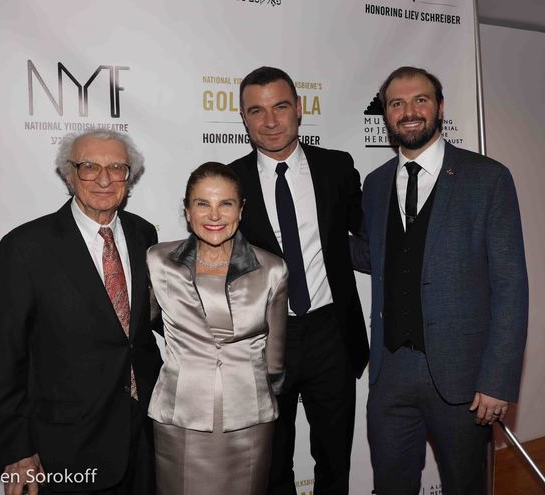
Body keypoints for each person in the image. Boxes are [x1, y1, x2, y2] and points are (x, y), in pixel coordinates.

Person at [352, 66, 528, 494]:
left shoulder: (487, 179)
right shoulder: (374, 185)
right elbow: (375, 256)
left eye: (420, 100)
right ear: (386, 116)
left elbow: (510, 286)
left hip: (463, 380)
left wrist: (496, 379)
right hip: (390, 374)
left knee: (466, 487)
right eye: (397, 104)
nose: (409, 111)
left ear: (440, 107)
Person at [0, 129, 162, 495]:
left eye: (117, 167)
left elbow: (141, 329)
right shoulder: (25, 247)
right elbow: (4, 357)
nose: (104, 178)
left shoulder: (144, 234)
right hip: (67, 446)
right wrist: (17, 450)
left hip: (145, 433)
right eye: (89, 166)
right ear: (68, 174)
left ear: (129, 177)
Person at [228, 66, 369, 495]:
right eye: (257, 111)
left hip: (331, 333)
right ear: (244, 118)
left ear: (300, 109)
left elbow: (364, 237)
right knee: (271, 465)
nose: (270, 121)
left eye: (280, 106)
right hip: (265, 339)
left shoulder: (337, 168)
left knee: (334, 460)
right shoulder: (230, 181)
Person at [146, 162, 288, 495]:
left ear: (241, 209)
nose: (214, 215)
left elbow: (275, 359)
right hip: (178, 413)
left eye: (225, 203)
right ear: (186, 209)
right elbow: (145, 323)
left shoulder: (272, 269)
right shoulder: (157, 260)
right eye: (202, 203)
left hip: (250, 416)